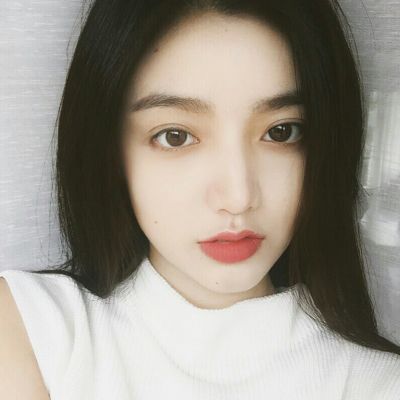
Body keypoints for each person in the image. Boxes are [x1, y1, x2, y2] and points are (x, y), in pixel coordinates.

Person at [0, 0, 399, 399]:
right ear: (110, 152)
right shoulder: (34, 333)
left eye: (281, 132)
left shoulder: (378, 383)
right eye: (176, 136)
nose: (238, 198)